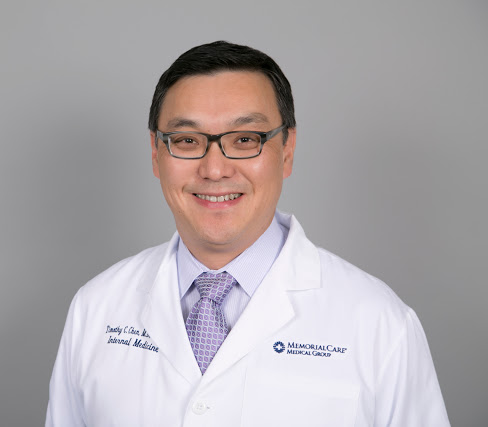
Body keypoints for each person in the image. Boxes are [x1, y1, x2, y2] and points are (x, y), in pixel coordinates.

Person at [46, 41, 450, 427]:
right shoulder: (97, 309)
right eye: (186, 140)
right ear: (156, 153)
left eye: (245, 140)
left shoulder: (379, 323)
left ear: (287, 150)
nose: (215, 169)